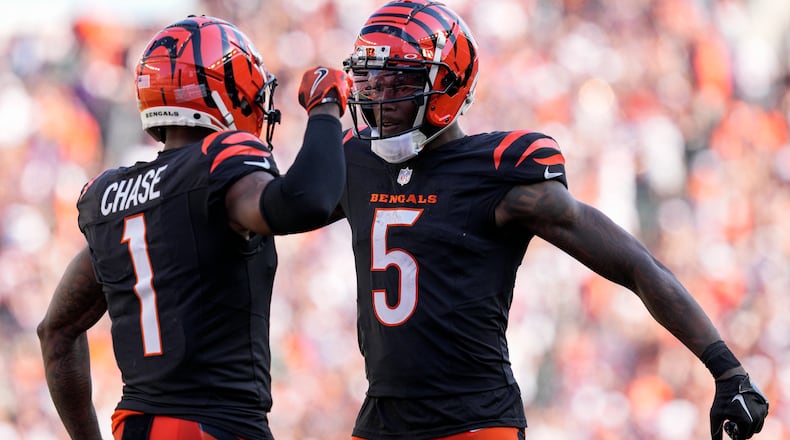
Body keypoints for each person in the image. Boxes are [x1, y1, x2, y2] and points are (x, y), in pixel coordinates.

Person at [329, 1, 770, 439]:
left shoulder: (499, 173)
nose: (382, 101)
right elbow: (271, 211)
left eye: (398, 84)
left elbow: (635, 265)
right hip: (382, 420)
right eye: (373, 83)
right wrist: (316, 122)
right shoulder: (356, 158)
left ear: (446, 84)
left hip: (473, 422)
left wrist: (725, 367)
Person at [37, 15, 351, 440]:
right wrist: (326, 110)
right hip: (214, 426)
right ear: (226, 93)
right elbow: (305, 201)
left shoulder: (111, 196)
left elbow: (56, 330)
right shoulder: (221, 160)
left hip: (134, 427)